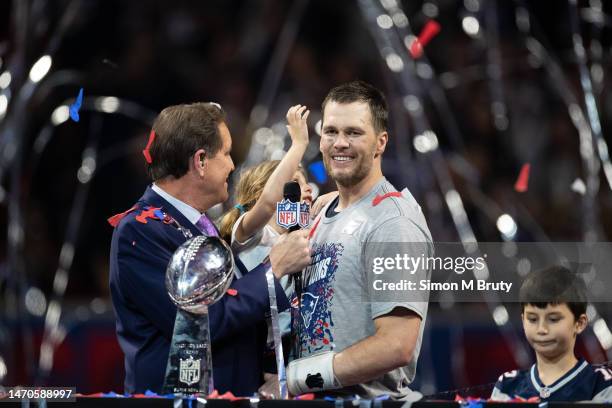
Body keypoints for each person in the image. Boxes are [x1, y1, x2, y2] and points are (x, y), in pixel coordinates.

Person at [108, 102, 311, 395]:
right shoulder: (140, 232)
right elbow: (202, 321)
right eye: (226, 153)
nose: (232, 164)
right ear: (201, 161)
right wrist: (273, 268)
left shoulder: (196, 225)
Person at [286, 81, 433, 400]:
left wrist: (301, 378)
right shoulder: (322, 212)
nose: (339, 143)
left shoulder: (395, 223)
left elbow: (397, 345)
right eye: (331, 132)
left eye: (353, 133)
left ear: (380, 143)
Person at [490, 266, 612, 402]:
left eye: (553, 319)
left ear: (579, 323)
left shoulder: (602, 383)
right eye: (532, 319)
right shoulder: (507, 385)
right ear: (523, 320)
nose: (542, 329)